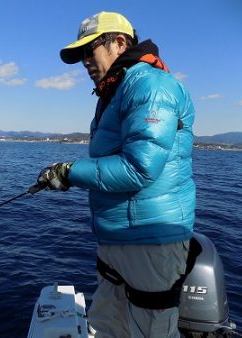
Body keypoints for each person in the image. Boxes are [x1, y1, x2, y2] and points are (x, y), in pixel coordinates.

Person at [36, 11, 196, 338]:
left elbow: (139, 168)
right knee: (106, 326)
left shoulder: (150, 85)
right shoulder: (116, 90)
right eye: (80, 55)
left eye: (89, 50)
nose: (84, 62)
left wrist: (69, 172)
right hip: (117, 238)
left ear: (119, 44)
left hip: (151, 242)